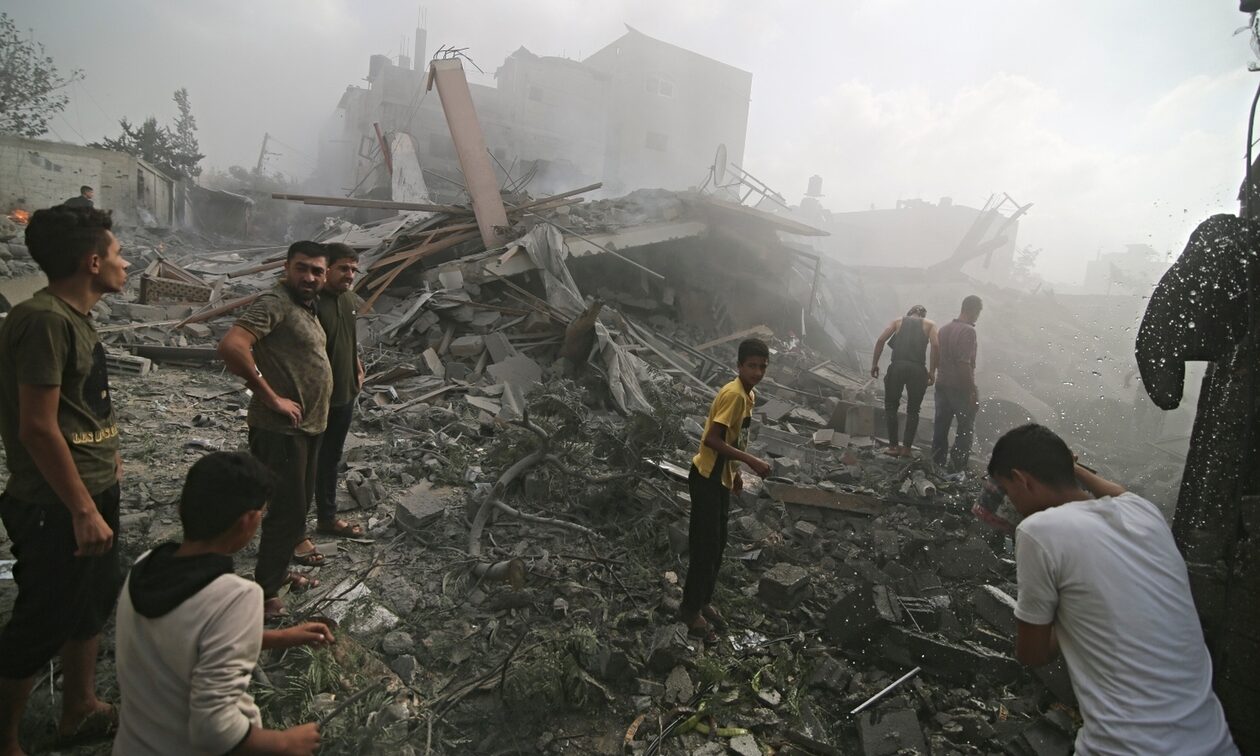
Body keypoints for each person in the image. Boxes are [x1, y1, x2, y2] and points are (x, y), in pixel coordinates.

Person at [989, 424, 1240, 756]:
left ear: (1022, 479)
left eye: (1007, 490)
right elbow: (1117, 491)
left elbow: (1032, 654)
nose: (1010, 502)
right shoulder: (1145, 513)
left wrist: (1071, 616)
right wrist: (1071, 466)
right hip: (1217, 745)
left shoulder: (1039, 531)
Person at [0, 205, 130, 756]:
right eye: (118, 253)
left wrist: (109, 461)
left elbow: (80, 407)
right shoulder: (44, 320)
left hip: (91, 490)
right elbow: (36, 426)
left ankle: (79, 707)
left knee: (90, 603)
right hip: (56, 503)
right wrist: (81, 509)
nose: (126, 263)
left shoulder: (74, 317)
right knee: (42, 619)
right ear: (92, 261)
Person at [113, 451, 331, 756]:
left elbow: (185, 639)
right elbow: (213, 729)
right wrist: (285, 742)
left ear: (182, 507)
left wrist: (281, 637)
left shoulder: (146, 567)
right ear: (247, 522)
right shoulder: (236, 597)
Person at [217, 241, 333, 620]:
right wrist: (270, 397)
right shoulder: (276, 302)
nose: (309, 277)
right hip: (281, 430)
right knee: (286, 511)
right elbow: (232, 345)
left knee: (297, 508)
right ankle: (266, 593)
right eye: (302, 268)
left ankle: (279, 573)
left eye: (317, 271)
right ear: (286, 268)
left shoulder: (306, 306)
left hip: (307, 427)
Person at [680, 339, 774, 642]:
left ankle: (703, 600)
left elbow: (735, 438)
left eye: (762, 367)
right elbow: (712, 439)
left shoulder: (749, 395)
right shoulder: (734, 395)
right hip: (706, 478)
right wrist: (750, 461)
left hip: (720, 478)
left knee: (717, 545)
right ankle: (689, 611)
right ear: (739, 366)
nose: (757, 372)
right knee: (704, 547)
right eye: (752, 366)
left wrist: (734, 474)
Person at [292, 243, 365, 567]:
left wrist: (357, 365)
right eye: (343, 268)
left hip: (344, 395)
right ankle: (296, 533)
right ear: (327, 269)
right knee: (303, 468)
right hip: (314, 400)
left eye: (353, 269)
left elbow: (348, 337)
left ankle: (327, 517)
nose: (350, 275)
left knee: (331, 460)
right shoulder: (310, 302)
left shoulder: (348, 300)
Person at [870, 305, 939, 457]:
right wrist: (932, 371)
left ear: (910, 313)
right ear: (923, 316)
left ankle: (893, 447)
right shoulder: (930, 324)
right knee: (914, 410)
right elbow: (935, 345)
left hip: (897, 367)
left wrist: (875, 363)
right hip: (917, 369)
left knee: (891, 406)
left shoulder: (898, 321)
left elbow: (881, 340)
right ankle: (907, 448)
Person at [932, 294, 982, 471]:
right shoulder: (968, 331)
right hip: (959, 388)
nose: (977, 317)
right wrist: (972, 391)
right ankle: (957, 467)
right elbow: (963, 364)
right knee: (965, 428)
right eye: (978, 313)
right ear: (973, 311)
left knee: (941, 426)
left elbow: (937, 357)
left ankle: (936, 464)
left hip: (942, 385)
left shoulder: (944, 329)